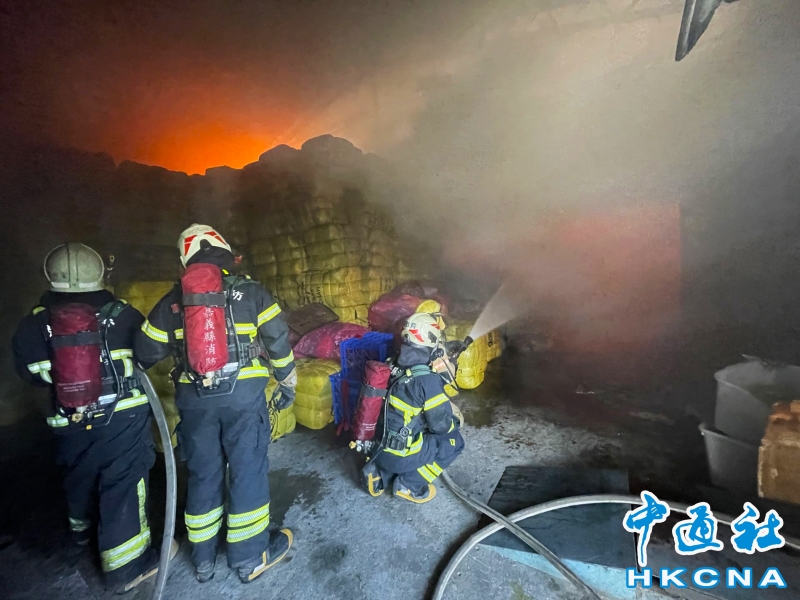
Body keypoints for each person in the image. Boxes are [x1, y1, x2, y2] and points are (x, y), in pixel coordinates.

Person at [134, 224, 296, 584]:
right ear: (223, 252)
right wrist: (287, 381)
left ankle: (203, 560)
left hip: (195, 404)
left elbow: (143, 352)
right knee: (247, 471)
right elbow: (278, 340)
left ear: (185, 260)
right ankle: (249, 558)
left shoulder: (173, 300)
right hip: (244, 400)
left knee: (203, 474)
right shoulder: (251, 292)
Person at [11, 243, 174, 593]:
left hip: (68, 420)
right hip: (121, 417)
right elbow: (147, 354)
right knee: (123, 481)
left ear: (50, 277)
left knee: (79, 473)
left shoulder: (33, 323)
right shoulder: (122, 314)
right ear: (100, 274)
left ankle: (82, 534)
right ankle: (128, 567)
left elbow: (29, 374)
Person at [361, 312, 465, 503]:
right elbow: (440, 426)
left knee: (402, 421)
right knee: (454, 442)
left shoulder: (391, 363)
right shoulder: (427, 381)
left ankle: (377, 474)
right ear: (432, 340)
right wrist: (455, 422)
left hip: (376, 448)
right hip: (400, 457)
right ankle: (409, 485)